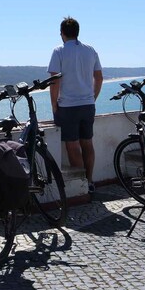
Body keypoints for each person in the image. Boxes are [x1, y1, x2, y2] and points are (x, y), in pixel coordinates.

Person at [48, 16, 103, 194]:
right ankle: (90, 180)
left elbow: (54, 81)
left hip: (68, 106)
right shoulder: (90, 50)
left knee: (72, 146)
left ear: (62, 33)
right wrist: (92, 97)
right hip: (87, 104)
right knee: (87, 143)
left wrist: (54, 105)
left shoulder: (59, 51)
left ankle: (82, 185)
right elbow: (99, 78)